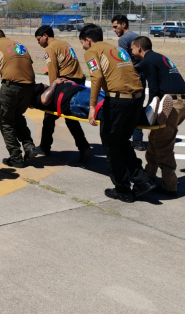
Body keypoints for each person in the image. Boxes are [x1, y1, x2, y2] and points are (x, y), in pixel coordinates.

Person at [79, 23, 156, 203]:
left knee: (111, 144)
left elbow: (96, 76)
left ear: (88, 40)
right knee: (122, 141)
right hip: (136, 99)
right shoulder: (117, 49)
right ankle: (142, 180)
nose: (82, 46)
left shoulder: (92, 51)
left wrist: (92, 106)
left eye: (82, 42)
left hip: (117, 101)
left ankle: (122, 189)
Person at [131, 36, 185, 197]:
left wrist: (151, 109)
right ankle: (149, 176)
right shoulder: (159, 57)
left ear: (139, 48)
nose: (132, 52)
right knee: (155, 138)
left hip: (171, 103)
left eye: (132, 49)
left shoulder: (148, 61)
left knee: (163, 144)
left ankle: (170, 186)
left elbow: (154, 88)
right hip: (183, 102)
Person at [0, 29, 44, 168]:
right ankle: (29, 147)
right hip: (29, 87)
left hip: (11, 87)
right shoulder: (20, 45)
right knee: (18, 117)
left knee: (6, 122)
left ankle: (16, 158)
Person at [34, 25, 92, 163]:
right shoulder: (64, 43)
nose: (38, 42)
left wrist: (52, 89)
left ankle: (46, 147)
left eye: (39, 39)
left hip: (66, 83)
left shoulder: (50, 48)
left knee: (50, 115)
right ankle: (82, 147)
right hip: (79, 81)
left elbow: (53, 72)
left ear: (45, 36)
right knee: (69, 117)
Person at [31, 78, 160, 128]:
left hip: (78, 92)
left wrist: (67, 83)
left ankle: (148, 114)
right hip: (73, 100)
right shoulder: (33, 98)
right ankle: (145, 118)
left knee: (114, 103)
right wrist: (54, 83)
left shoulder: (38, 88)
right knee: (107, 109)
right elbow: (45, 100)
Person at [111, 14, 145, 151]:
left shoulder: (123, 39)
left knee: (127, 108)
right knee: (138, 107)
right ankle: (138, 141)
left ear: (123, 24)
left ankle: (123, 138)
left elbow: (124, 61)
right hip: (142, 74)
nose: (114, 30)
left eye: (116, 27)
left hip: (132, 76)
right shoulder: (137, 36)